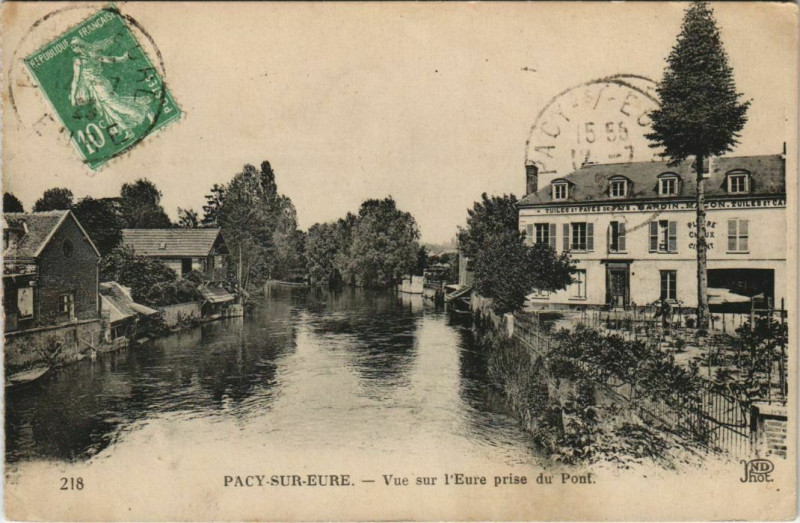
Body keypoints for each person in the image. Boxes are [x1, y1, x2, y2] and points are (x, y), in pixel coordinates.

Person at [69, 37, 155, 143]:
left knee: (116, 105)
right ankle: (128, 131)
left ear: (80, 45)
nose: (72, 48)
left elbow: (76, 80)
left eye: (74, 46)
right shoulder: (92, 54)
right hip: (98, 87)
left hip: (99, 86)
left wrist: (73, 96)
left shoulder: (78, 60)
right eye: (72, 46)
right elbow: (109, 59)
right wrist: (123, 58)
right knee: (109, 110)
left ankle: (145, 110)